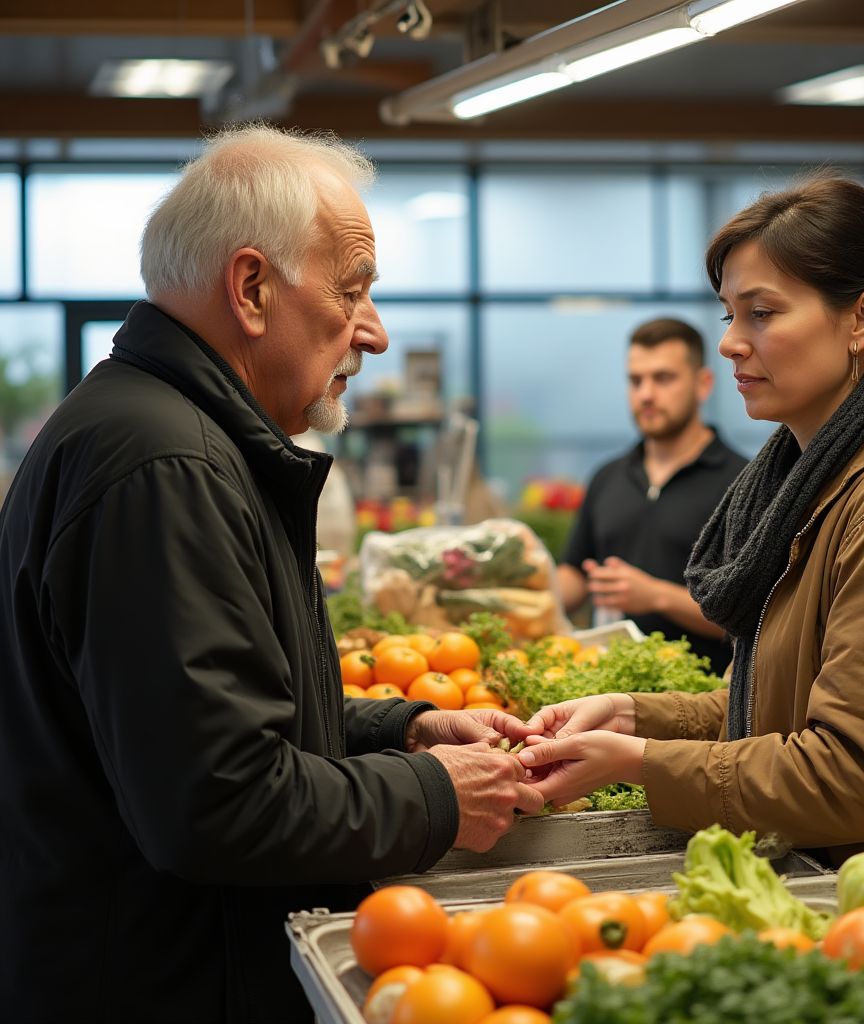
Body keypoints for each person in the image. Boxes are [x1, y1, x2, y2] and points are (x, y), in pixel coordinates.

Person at [0, 124, 543, 1024]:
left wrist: (402, 732)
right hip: (165, 983)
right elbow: (216, 802)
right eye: (353, 289)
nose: (372, 330)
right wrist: (438, 796)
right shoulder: (165, 466)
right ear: (251, 288)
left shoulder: (169, 434)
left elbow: (204, 717)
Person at [522, 175, 864, 875]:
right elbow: (775, 707)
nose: (729, 344)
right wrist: (633, 716)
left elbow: (858, 777)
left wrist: (640, 763)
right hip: (816, 893)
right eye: (728, 314)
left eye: (761, 313)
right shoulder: (809, 485)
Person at [557, 317, 746, 675]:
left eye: (663, 378)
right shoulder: (608, 476)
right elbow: (577, 574)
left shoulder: (742, 482)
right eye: (635, 380)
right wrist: (521, 590)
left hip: (700, 699)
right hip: (605, 686)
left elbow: (754, 618)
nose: (646, 394)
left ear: (703, 384)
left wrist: (657, 596)